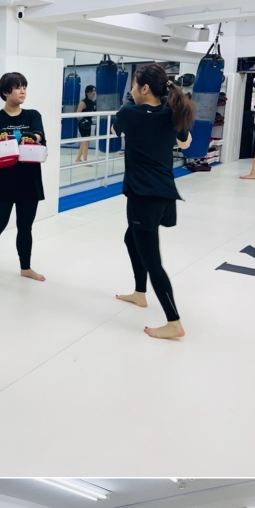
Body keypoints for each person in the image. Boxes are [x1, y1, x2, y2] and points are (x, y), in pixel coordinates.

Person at [112, 64, 195, 340]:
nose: (132, 90)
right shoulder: (172, 113)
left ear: (144, 88)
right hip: (164, 194)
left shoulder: (129, 113)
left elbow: (114, 131)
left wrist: (128, 104)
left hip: (143, 196)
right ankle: (139, 293)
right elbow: (186, 143)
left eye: (134, 86)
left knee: (153, 261)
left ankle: (174, 322)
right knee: (131, 239)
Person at [0, 71, 47, 285]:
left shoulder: (32, 115)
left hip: (29, 179)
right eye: (18, 87)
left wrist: (31, 136)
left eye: (24, 86)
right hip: (3, 180)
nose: (23, 91)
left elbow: (40, 135)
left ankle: (26, 267)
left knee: (25, 227)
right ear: (6, 92)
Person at [75, 85, 96, 165]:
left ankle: (78, 158)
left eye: (94, 91)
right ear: (88, 92)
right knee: (86, 142)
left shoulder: (92, 103)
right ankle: (85, 161)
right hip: (83, 125)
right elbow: (77, 114)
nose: (94, 93)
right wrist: (83, 121)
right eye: (92, 91)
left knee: (86, 142)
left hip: (89, 124)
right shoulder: (83, 102)